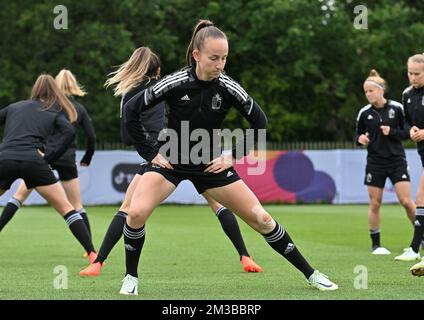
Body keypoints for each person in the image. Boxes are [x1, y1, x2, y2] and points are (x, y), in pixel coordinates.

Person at [118, 20, 338, 295]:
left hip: (210, 165)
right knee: (136, 212)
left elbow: (260, 122)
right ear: (197, 55)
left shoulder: (228, 87)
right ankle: (131, 278)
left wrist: (233, 156)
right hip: (171, 162)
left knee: (262, 219)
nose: (220, 64)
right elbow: (131, 112)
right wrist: (150, 152)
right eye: (214, 58)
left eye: (224, 58)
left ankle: (312, 274)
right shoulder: (174, 82)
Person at [79, 46, 262, 277]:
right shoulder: (170, 85)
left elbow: (128, 135)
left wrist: (150, 150)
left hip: (164, 157)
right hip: (189, 153)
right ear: (157, 70)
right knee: (218, 205)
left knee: (129, 210)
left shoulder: (131, 93)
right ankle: (245, 256)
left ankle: (99, 262)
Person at [0, 74, 97, 263]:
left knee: (17, 197)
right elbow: (69, 132)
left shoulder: (14, 107)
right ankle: (93, 256)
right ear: (54, 90)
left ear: (34, 89)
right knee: (68, 208)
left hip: (6, 159)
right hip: (35, 162)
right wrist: (50, 157)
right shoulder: (53, 111)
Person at [355, 69, 418, 259]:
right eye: (365, 92)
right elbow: (357, 134)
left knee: (407, 201)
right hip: (375, 163)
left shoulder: (397, 108)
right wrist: (361, 139)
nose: (368, 94)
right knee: (375, 203)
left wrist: (391, 131)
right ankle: (376, 245)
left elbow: (407, 131)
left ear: (381, 90)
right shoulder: (364, 113)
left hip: (397, 160)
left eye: (371, 91)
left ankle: (420, 237)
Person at [403, 53, 424, 276]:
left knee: (420, 198)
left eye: (417, 74)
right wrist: (411, 129)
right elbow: (407, 120)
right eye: (410, 73)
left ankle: (414, 248)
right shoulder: (407, 94)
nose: (412, 77)